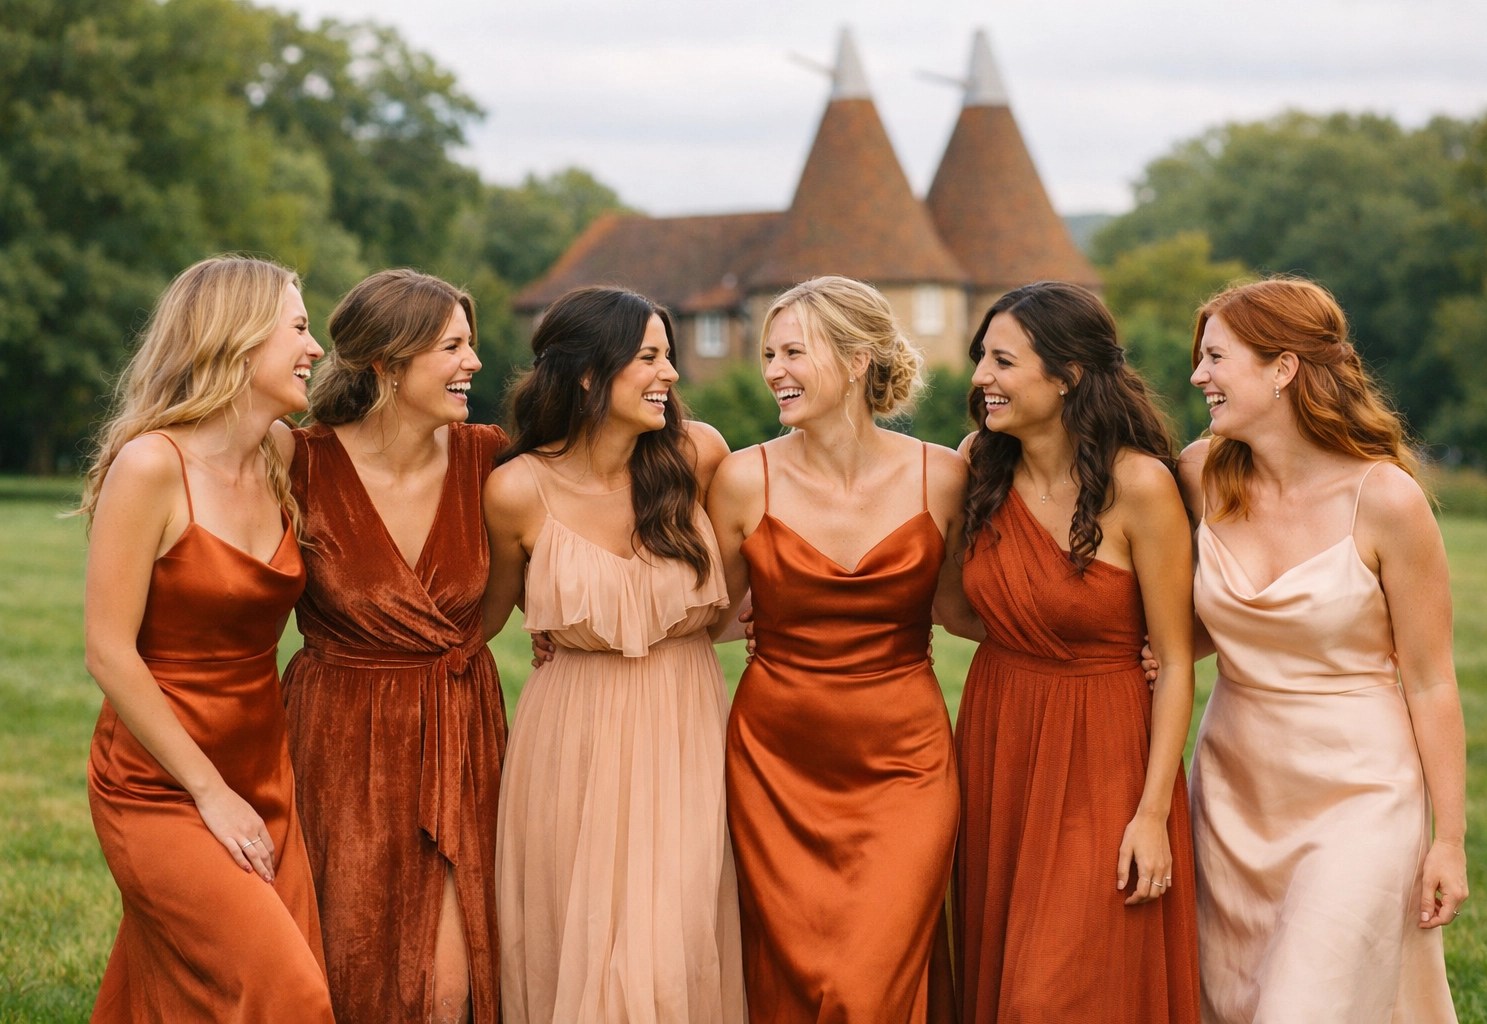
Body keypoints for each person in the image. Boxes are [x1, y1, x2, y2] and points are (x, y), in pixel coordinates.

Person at [1183, 277, 1465, 1022]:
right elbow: (1212, 619)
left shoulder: (1386, 500)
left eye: (1216, 358)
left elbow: (1432, 681)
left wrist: (1451, 841)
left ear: (1282, 370)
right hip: (1232, 792)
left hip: (1359, 795)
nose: (1197, 377)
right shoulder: (1198, 475)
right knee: (1233, 1002)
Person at [79, 255, 333, 1021]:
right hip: (161, 782)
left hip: (266, 772)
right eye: (298, 328)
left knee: (179, 997)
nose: (316, 347)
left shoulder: (282, 454)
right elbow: (108, 651)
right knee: (288, 994)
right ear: (239, 340)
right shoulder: (152, 466)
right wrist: (209, 792)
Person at [708, 275, 967, 1022]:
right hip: (775, 763)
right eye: (767, 353)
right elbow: (708, 616)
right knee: (794, 977)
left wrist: (1125, 641)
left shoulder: (942, 475)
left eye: (794, 351)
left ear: (857, 361)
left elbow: (964, 610)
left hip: (905, 765)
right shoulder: (741, 479)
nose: (772, 371)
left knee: (867, 981)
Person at [484, 286, 744, 1024]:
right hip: (570, 736)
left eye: (670, 357)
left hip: (683, 724)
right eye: (650, 358)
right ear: (591, 375)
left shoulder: (701, 457)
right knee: (575, 942)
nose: (670, 375)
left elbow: (747, 586)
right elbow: (483, 622)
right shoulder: (515, 490)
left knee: (670, 947)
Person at [950, 282, 1199, 1022]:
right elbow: (954, 608)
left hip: (1105, 752)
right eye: (980, 360)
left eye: (1002, 361)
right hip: (1000, 739)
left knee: (1059, 987)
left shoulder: (1140, 485)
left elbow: (1177, 660)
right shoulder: (978, 467)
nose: (980, 379)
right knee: (1001, 966)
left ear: (1068, 376)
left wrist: (1152, 814)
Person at [279, 269, 508, 1023]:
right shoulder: (297, 463)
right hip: (338, 739)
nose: (474, 361)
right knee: (343, 960)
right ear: (386, 362)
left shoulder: (491, 460)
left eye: (471, 343)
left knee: (451, 989)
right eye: (453, 346)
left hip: (460, 731)